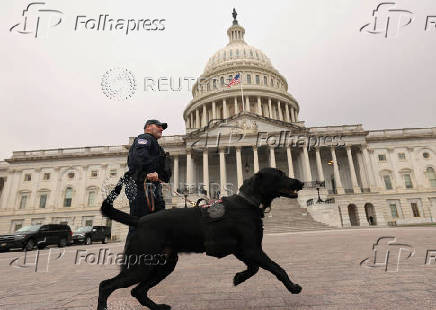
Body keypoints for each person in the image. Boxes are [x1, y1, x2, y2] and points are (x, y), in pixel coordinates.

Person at [125, 119, 172, 236]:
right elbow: (139, 156)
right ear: (148, 127)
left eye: (163, 128)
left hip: (153, 188)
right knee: (140, 223)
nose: (161, 129)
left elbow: (162, 170)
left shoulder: (157, 147)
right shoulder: (144, 138)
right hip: (141, 186)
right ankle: (133, 253)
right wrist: (150, 172)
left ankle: (155, 252)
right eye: (159, 126)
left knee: (158, 223)